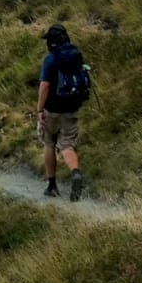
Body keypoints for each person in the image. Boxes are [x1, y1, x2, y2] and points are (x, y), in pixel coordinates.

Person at [36, 24, 93, 199]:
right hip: (72, 107)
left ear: (51, 42)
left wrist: (39, 110)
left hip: (52, 109)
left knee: (49, 144)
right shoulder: (76, 56)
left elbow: (45, 85)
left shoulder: (50, 60)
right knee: (67, 145)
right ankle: (75, 172)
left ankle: (52, 186)